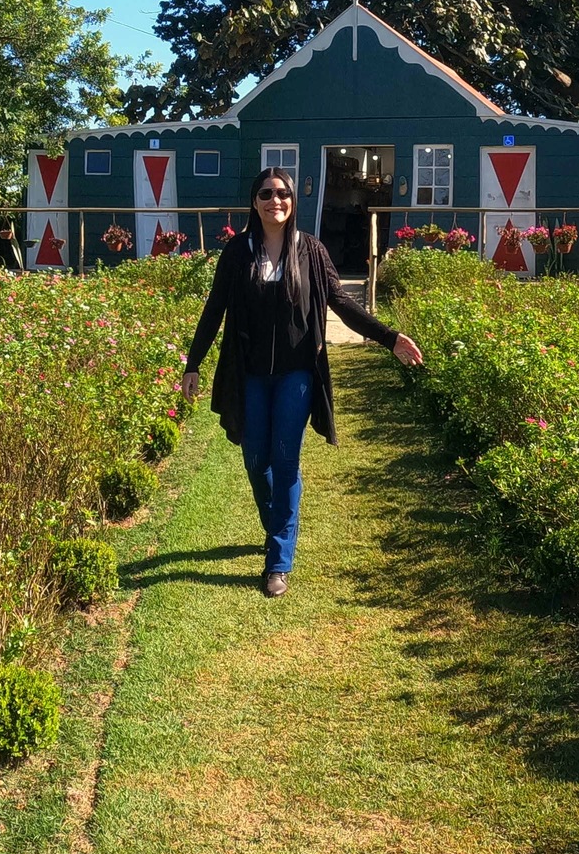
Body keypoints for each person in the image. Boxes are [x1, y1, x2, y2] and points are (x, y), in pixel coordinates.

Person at [178, 167, 424, 596]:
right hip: (249, 374)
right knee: (256, 459)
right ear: (254, 202)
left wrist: (389, 338)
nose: (276, 201)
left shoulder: (309, 250)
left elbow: (341, 302)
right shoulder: (238, 253)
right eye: (266, 194)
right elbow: (214, 309)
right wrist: (193, 362)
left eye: (283, 193)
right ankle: (279, 525)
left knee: (285, 459)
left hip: (296, 375)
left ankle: (277, 562)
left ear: (293, 200)